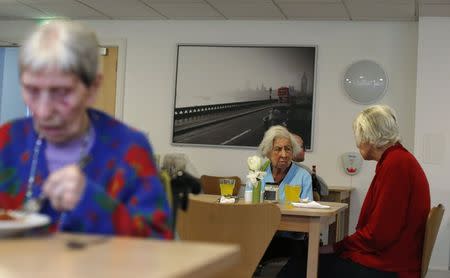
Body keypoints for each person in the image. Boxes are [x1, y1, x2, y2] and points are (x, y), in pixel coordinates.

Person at [0, 21, 173, 239]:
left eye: (61, 92)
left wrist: (91, 201)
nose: (43, 111)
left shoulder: (128, 149)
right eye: (32, 90)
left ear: (93, 88)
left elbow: (158, 244)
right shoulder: (6, 141)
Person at [279, 105, 430, 278]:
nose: (357, 142)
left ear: (369, 136)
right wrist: (336, 247)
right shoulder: (397, 160)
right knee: (306, 260)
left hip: (389, 266)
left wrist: (336, 247)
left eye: (358, 136)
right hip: (393, 259)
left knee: (298, 267)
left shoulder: (396, 165)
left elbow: (379, 235)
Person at [254, 125, 313, 275]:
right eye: (278, 149)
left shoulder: (303, 175)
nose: (284, 154)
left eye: (288, 149)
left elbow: (309, 212)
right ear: (267, 152)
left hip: (291, 238)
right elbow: (250, 206)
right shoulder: (258, 173)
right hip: (261, 235)